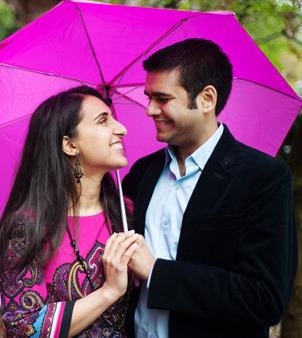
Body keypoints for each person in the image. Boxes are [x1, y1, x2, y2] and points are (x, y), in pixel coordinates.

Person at [123, 38, 298, 338]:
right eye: (148, 96)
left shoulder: (263, 178)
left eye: (162, 99)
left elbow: (265, 297)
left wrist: (156, 272)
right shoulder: (141, 172)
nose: (150, 109)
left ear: (206, 99)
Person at [0, 86, 135, 337]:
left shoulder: (126, 211)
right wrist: (109, 292)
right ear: (70, 145)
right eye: (103, 121)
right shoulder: (27, 226)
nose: (121, 129)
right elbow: (21, 329)